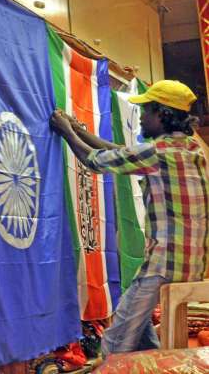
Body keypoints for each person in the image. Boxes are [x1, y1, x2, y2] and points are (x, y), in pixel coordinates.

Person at [50, 79, 209, 357]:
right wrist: (78, 130)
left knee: (115, 339)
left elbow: (95, 161)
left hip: (165, 262)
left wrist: (65, 132)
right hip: (192, 263)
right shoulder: (192, 150)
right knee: (136, 317)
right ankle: (155, 361)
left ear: (161, 114)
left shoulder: (158, 153)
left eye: (146, 111)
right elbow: (122, 153)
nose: (142, 119)